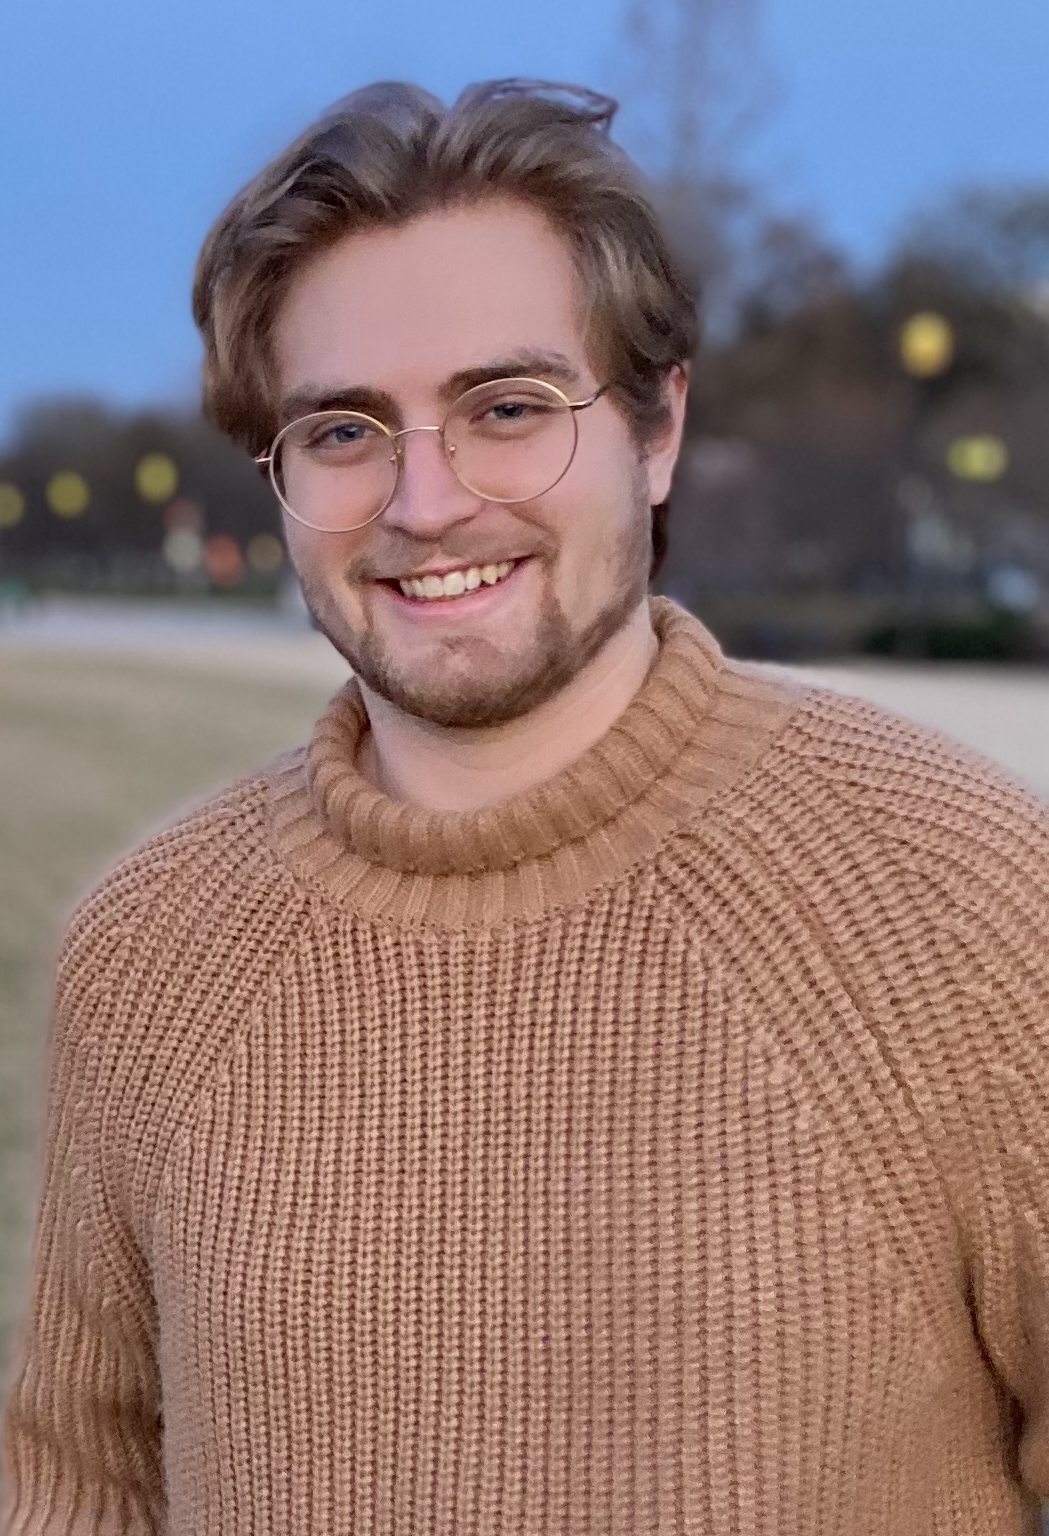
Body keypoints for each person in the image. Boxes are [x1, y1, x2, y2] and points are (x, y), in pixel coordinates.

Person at [4, 78, 1049, 1536]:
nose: (424, 502)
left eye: (507, 409)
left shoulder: (965, 901)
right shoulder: (151, 952)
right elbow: (77, 1481)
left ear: (658, 428)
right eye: (346, 432)